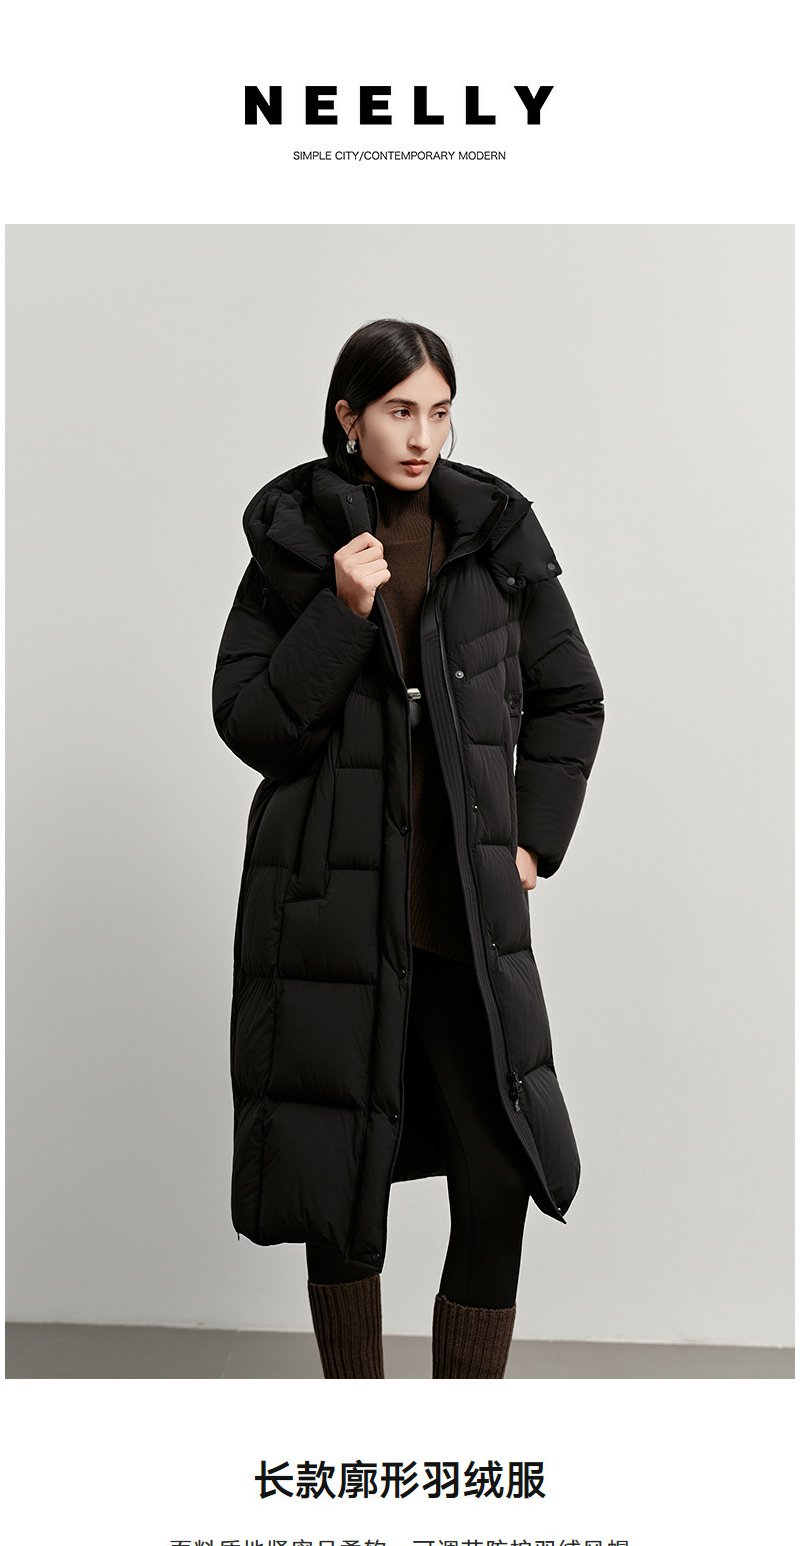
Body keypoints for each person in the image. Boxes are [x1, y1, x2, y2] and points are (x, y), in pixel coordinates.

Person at [212, 317, 605, 1378]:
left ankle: (454, 1443)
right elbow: (251, 723)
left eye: (438, 411)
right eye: (398, 411)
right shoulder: (299, 541)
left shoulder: (494, 537)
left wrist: (531, 842)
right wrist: (342, 612)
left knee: (496, 1177)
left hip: (454, 918)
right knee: (342, 1182)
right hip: (332, 912)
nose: (421, 435)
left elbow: (571, 696)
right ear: (349, 417)